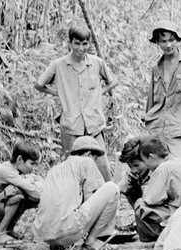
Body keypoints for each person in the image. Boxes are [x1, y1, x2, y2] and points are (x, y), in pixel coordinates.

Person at [35, 24, 118, 181]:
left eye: (85, 43)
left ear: (89, 43)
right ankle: (74, 201)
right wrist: (56, 93)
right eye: (77, 43)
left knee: (102, 166)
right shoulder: (58, 65)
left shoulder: (97, 63)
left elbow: (113, 81)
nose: (81, 48)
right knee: (72, 167)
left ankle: (109, 197)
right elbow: (39, 84)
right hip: (71, 123)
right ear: (70, 43)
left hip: (94, 123)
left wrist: (100, 92)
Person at [34, 136, 120, 250]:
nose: (94, 162)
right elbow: (90, 199)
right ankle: (92, 242)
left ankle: (57, 245)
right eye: (95, 158)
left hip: (46, 235)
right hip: (68, 233)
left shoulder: (55, 168)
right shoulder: (87, 162)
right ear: (89, 154)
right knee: (112, 188)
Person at [122, 135, 181, 242]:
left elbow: (150, 200)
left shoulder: (162, 168)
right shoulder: (178, 162)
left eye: (136, 165)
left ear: (151, 157)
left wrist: (133, 191)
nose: (133, 171)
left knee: (140, 205)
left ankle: (158, 237)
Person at [144, 20, 181, 160]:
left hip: (180, 129)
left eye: (172, 40)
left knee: (180, 168)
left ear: (178, 41)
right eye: (163, 41)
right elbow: (151, 98)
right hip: (157, 128)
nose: (168, 45)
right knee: (159, 170)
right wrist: (148, 121)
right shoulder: (156, 67)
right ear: (158, 43)